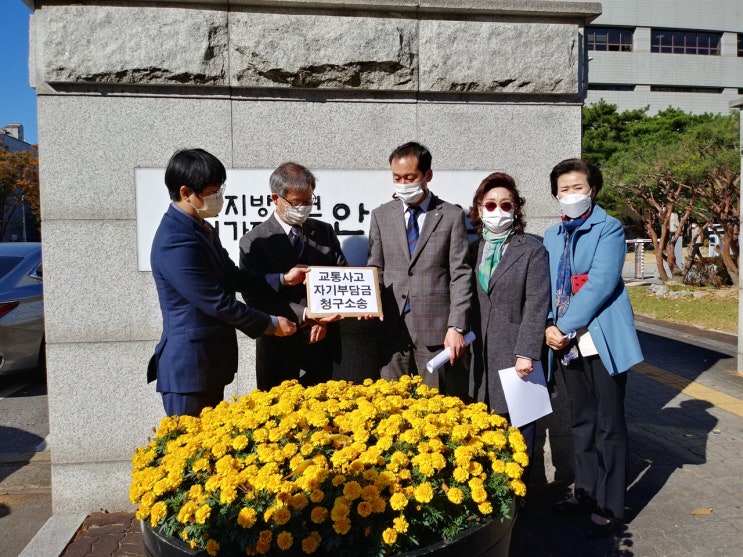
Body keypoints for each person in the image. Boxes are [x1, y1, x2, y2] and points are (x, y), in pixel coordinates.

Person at [148, 148, 296, 417]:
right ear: (185, 192)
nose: (219, 197)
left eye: (220, 189)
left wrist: (282, 279)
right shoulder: (176, 240)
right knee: (190, 453)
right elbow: (215, 302)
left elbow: (233, 276)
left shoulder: (202, 227)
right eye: (213, 191)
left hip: (209, 364)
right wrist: (270, 325)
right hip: (188, 372)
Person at [543, 159, 643, 538]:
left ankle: (610, 505)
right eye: (564, 189)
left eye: (578, 187)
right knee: (581, 420)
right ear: (555, 193)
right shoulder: (553, 235)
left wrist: (563, 326)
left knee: (609, 424)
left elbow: (601, 283)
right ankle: (584, 493)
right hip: (567, 344)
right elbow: (549, 287)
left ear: (593, 190)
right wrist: (549, 328)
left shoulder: (609, 228)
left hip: (600, 339)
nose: (571, 194)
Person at [367, 141, 472, 396]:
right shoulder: (381, 215)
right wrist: (369, 300)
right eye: (397, 177)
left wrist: (456, 327)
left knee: (436, 404)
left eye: (410, 177)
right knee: (391, 404)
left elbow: (460, 274)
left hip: (436, 330)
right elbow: (375, 267)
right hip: (391, 326)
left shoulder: (450, 215)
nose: (403, 183)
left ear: (427, 176)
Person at [239, 162, 346, 390]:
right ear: (275, 199)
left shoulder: (324, 231)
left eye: (309, 202)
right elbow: (254, 297)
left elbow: (342, 279)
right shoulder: (254, 241)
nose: (304, 208)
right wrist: (307, 314)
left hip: (321, 345)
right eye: (297, 203)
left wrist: (325, 318)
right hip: (278, 349)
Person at [467, 172, 550, 459]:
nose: (498, 211)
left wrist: (527, 351)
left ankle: (520, 501)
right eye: (490, 205)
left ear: (515, 209)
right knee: (485, 435)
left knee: (519, 437)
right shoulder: (471, 250)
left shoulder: (532, 250)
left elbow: (537, 304)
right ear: (479, 209)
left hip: (516, 356)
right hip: (479, 355)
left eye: (506, 205)